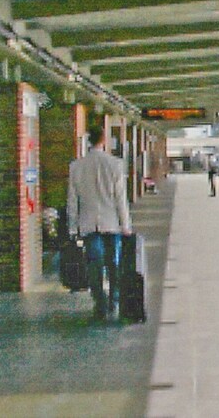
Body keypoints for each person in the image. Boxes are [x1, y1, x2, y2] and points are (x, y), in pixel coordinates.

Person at [67, 123, 133, 321]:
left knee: (94, 264)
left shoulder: (76, 166)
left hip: (88, 224)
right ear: (103, 140)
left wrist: (72, 227)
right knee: (113, 263)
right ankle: (113, 299)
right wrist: (126, 225)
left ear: (88, 141)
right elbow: (121, 199)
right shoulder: (115, 165)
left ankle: (100, 302)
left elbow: (72, 200)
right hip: (111, 223)